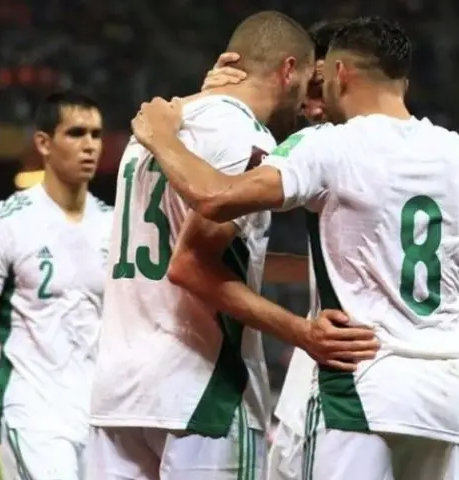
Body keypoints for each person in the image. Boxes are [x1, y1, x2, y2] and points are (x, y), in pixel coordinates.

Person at [130, 16, 459, 480]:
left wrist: (162, 136)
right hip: (449, 397)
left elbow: (215, 197)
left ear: (339, 73)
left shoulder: (329, 146)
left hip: (361, 388)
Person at [88, 11, 377, 480]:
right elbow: (193, 266)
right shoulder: (246, 138)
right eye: (309, 81)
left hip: (118, 393)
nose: (309, 103)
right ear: (288, 69)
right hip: (200, 391)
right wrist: (301, 332)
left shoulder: (153, 128)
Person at [200, 17, 352, 480]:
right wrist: (219, 110)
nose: (309, 106)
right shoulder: (436, 152)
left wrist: (183, 123)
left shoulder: (338, 148)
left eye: (319, 89)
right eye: (306, 89)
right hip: (328, 373)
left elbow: (215, 199)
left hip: (352, 376)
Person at [0, 91, 112, 479]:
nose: (89, 145)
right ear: (44, 143)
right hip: (33, 410)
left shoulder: (113, 225)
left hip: (99, 414)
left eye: (96, 134)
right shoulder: (8, 222)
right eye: (76, 133)